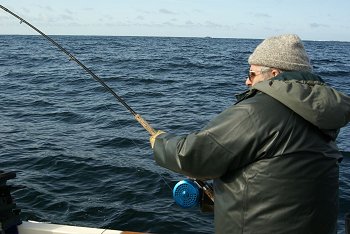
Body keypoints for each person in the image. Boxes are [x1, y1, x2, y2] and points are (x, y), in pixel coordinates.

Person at [149, 34, 350, 234]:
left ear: (273, 73)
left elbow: (193, 156)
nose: (246, 81)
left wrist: (160, 142)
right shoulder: (322, 113)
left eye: (252, 74)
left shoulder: (257, 111)